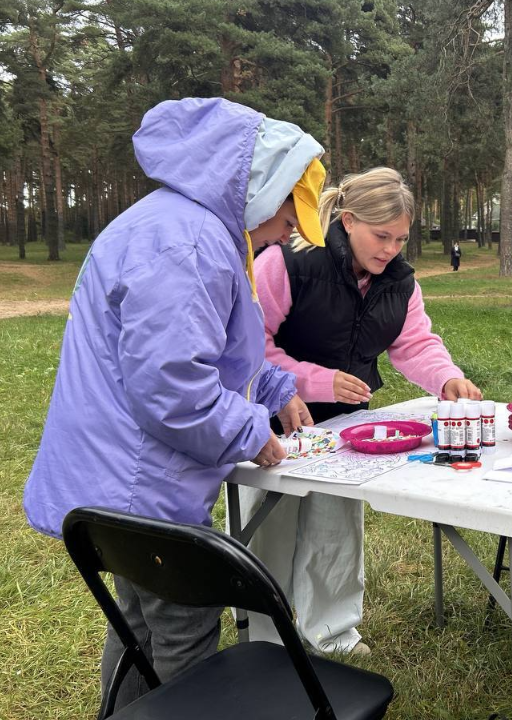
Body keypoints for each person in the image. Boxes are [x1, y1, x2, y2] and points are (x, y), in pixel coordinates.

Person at [22, 97, 325, 709]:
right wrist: (251, 432)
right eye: (293, 214)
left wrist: (275, 390)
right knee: (184, 633)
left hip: (115, 479)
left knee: (135, 626)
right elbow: (171, 390)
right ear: (260, 188)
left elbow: (209, 351)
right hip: (143, 486)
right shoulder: (189, 243)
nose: (292, 231)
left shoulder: (180, 224)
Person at [241, 166, 482, 654]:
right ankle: (266, 638)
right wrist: (314, 380)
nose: (391, 249)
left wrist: (447, 377)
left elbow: (414, 342)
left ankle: (331, 634)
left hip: (348, 425)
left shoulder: (399, 282)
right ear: (347, 221)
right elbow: (248, 344)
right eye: (381, 236)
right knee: (272, 526)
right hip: (271, 415)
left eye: (400, 239)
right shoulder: (286, 263)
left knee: (336, 524)